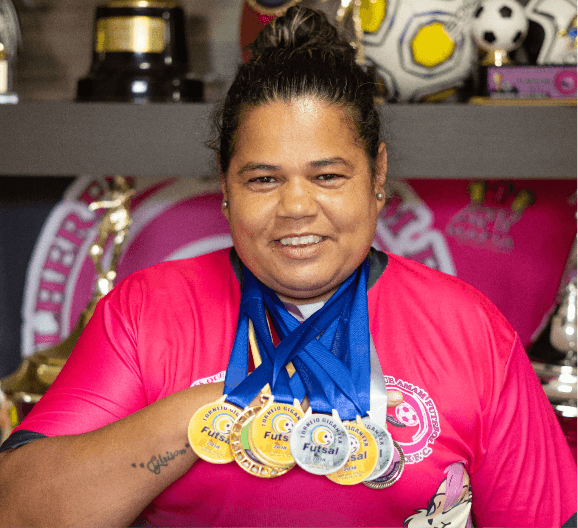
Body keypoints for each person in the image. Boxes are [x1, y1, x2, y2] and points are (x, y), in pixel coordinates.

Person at [0, 6, 576, 528]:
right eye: (263, 179)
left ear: (377, 177)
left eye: (328, 177)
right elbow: (20, 508)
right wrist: (202, 413)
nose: (297, 207)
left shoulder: (470, 330)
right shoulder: (145, 310)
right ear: (225, 187)